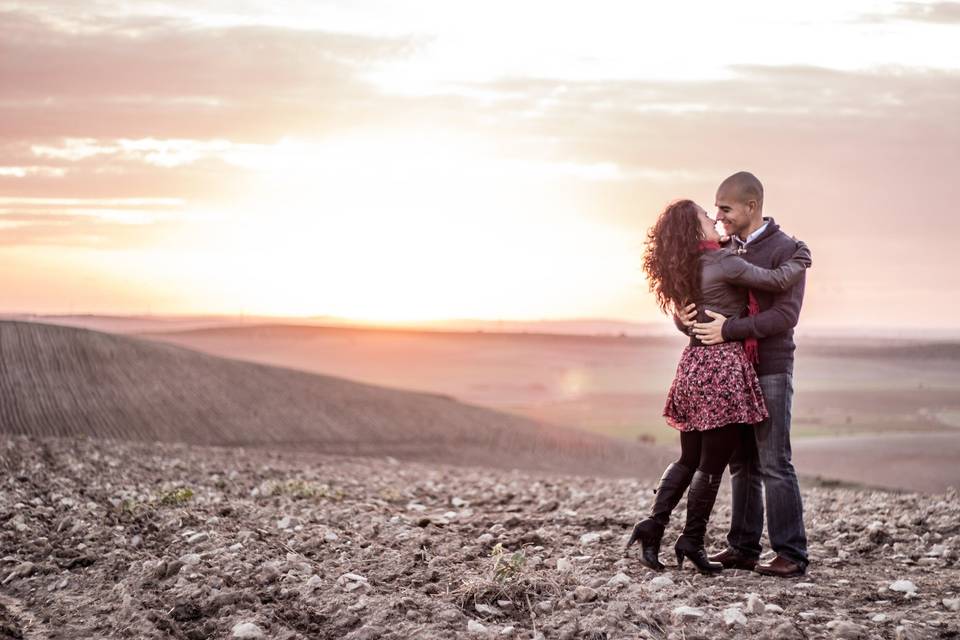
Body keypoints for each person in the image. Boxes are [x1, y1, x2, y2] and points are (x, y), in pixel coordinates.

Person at [625, 197, 811, 574]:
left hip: (692, 366)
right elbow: (775, 280)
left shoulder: (682, 266)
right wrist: (802, 257)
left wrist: (684, 319)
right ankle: (691, 540)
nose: (715, 219)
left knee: (689, 457)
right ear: (695, 231)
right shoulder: (723, 260)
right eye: (708, 216)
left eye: (720, 211)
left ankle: (653, 525)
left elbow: (691, 314)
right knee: (713, 462)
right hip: (722, 369)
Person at [677, 171, 810, 578]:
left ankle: (790, 552)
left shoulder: (785, 249)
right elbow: (707, 304)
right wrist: (682, 320)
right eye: (714, 207)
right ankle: (742, 548)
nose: (718, 215)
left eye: (726, 208)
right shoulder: (722, 249)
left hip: (769, 366)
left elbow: (786, 315)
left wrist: (729, 331)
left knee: (774, 461)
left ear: (752, 207)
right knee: (742, 462)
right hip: (732, 373)